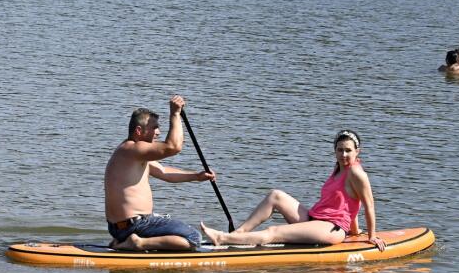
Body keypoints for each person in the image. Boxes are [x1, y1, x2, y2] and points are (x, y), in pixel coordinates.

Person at [200, 130, 386, 252]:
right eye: (339, 150)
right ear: (335, 151)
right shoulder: (338, 168)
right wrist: (354, 231)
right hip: (315, 218)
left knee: (275, 231)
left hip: (330, 227)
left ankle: (222, 238)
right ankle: (239, 234)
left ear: (357, 151)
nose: (343, 155)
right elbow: (349, 203)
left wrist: (371, 236)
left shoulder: (356, 172)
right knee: (276, 195)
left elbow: (368, 205)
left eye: (348, 151)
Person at [104, 95, 215, 251]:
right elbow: (173, 146)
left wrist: (197, 176)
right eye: (154, 127)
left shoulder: (130, 152)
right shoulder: (134, 150)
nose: (158, 132)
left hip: (119, 228)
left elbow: (165, 173)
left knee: (165, 220)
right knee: (193, 238)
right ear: (138, 130)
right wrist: (175, 114)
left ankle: (123, 242)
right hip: (136, 225)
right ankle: (138, 243)